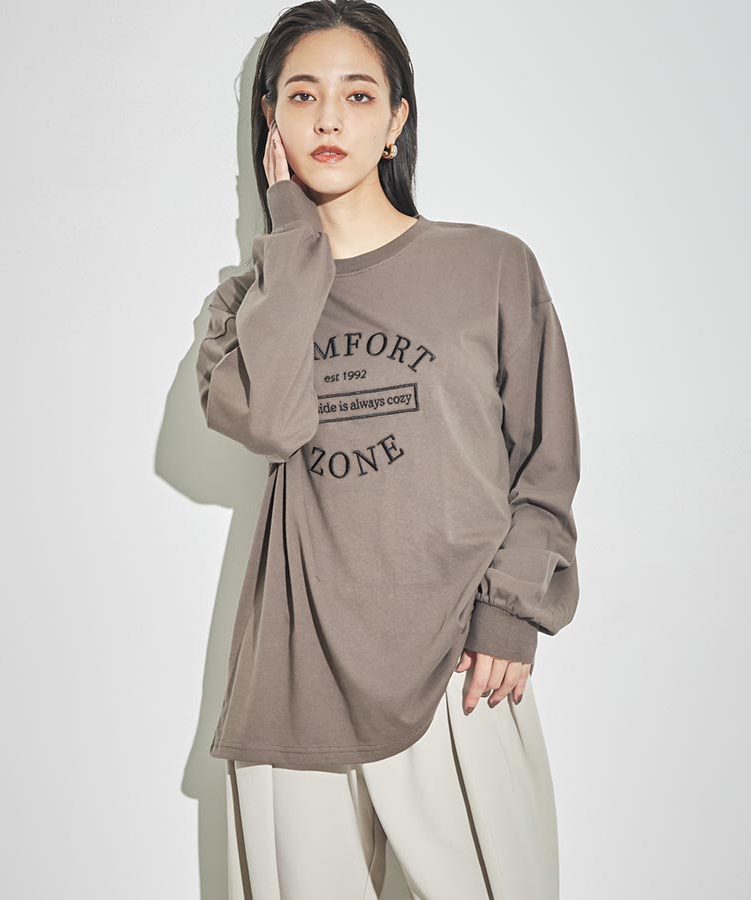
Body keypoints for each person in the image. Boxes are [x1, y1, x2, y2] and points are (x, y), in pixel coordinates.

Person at [195, 2, 581, 897]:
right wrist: (293, 242)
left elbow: (546, 462)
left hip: (460, 666)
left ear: (397, 119)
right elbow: (271, 422)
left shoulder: (491, 267)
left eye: (358, 95)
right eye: (303, 95)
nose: (329, 118)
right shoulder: (242, 306)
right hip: (293, 684)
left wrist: (511, 613)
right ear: (271, 119)